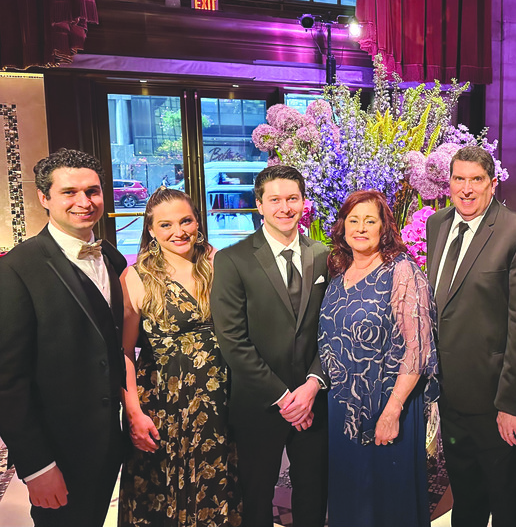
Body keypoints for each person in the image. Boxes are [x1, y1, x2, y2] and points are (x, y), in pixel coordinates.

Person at [0, 149, 126, 527]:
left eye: (93, 191)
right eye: (69, 192)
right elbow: (8, 380)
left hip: (110, 441)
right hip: (58, 448)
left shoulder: (114, 259)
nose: (84, 202)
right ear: (45, 198)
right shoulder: (18, 268)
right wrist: (37, 465)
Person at [425, 146, 516, 527]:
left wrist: (511, 404)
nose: (466, 189)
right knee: (466, 499)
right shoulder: (437, 224)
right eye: (458, 179)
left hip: (495, 402)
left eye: (476, 180)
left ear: (492, 184)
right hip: (449, 395)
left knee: (508, 502)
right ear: (448, 184)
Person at [211, 165, 329, 527]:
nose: (284, 207)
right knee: (256, 497)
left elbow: (333, 330)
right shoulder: (233, 260)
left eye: (292, 198)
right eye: (274, 200)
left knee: (313, 491)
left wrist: (311, 386)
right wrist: (284, 398)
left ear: (303, 202)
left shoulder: (323, 255)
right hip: (259, 404)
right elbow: (232, 340)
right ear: (258, 205)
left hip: (314, 399)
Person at [118, 187, 242, 527]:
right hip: (164, 404)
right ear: (152, 231)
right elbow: (124, 352)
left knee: (217, 485)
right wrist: (133, 413)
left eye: (185, 221)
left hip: (219, 400)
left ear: (197, 221)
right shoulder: (136, 276)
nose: (178, 232)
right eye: (166, 225)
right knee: (163, 490)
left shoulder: (221, 263)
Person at [318, 190, 439, 527]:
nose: (360, 228)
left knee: (386, 501)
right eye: (353, 220)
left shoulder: (401, 271)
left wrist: (394, 408)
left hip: (386, 403)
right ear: (342, 227)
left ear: (383, 227)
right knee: (352, 497)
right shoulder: (339, 271)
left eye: (370, 220)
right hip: (342, 407)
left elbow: (417, 347)